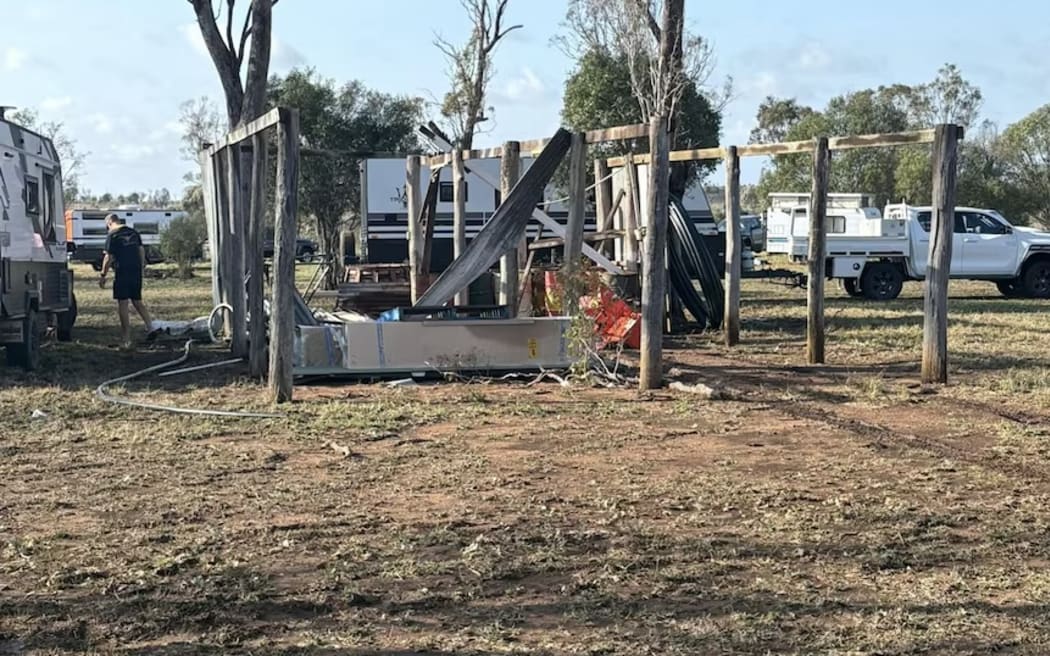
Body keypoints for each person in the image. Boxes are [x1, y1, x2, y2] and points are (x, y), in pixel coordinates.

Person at [99, 213, 156, 349]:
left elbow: (108, 257)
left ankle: (126, 339)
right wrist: (141, 267)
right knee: (137, 300)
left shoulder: (113, 235)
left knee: (123, 303)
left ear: (110, 223)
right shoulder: (133, 232)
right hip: (136, 270)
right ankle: (151, 327)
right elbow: (141, 250)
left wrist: (103, 275)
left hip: (122, 271)